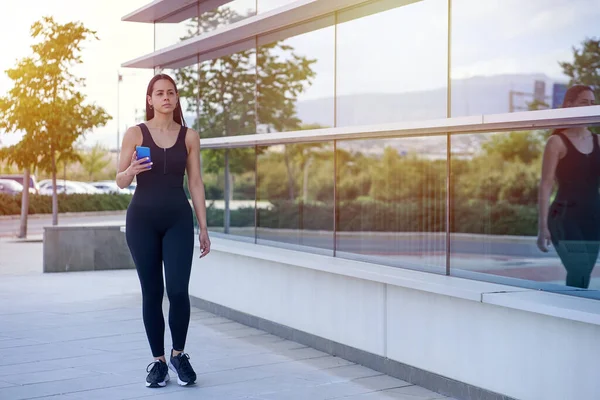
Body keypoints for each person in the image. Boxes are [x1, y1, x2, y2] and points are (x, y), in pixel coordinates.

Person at [116, 73, 211, 388]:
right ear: (150, 99)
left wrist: (204, 227)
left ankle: (178, 355)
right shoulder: (135, 134)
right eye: (159, 93)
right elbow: (120, 179)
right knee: (152, 292)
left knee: (179, 291)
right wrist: (129, 170)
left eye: (171, 92)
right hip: (141, 221)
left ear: (176, 98)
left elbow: (195, 183)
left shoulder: (189, 136)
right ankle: (157, 362)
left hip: (178, 221)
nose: (166, 98)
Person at [537, 84, 597, 288]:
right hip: (564, 218)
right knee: (579, 269)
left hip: (593, 218)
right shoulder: (556, 142)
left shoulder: (599, 141)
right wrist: (542, 226)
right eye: (583, 103)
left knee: (583, 276)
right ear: (569, 105)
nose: (589, 107)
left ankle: (573, 314)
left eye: (592, 103)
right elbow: (545, 185)